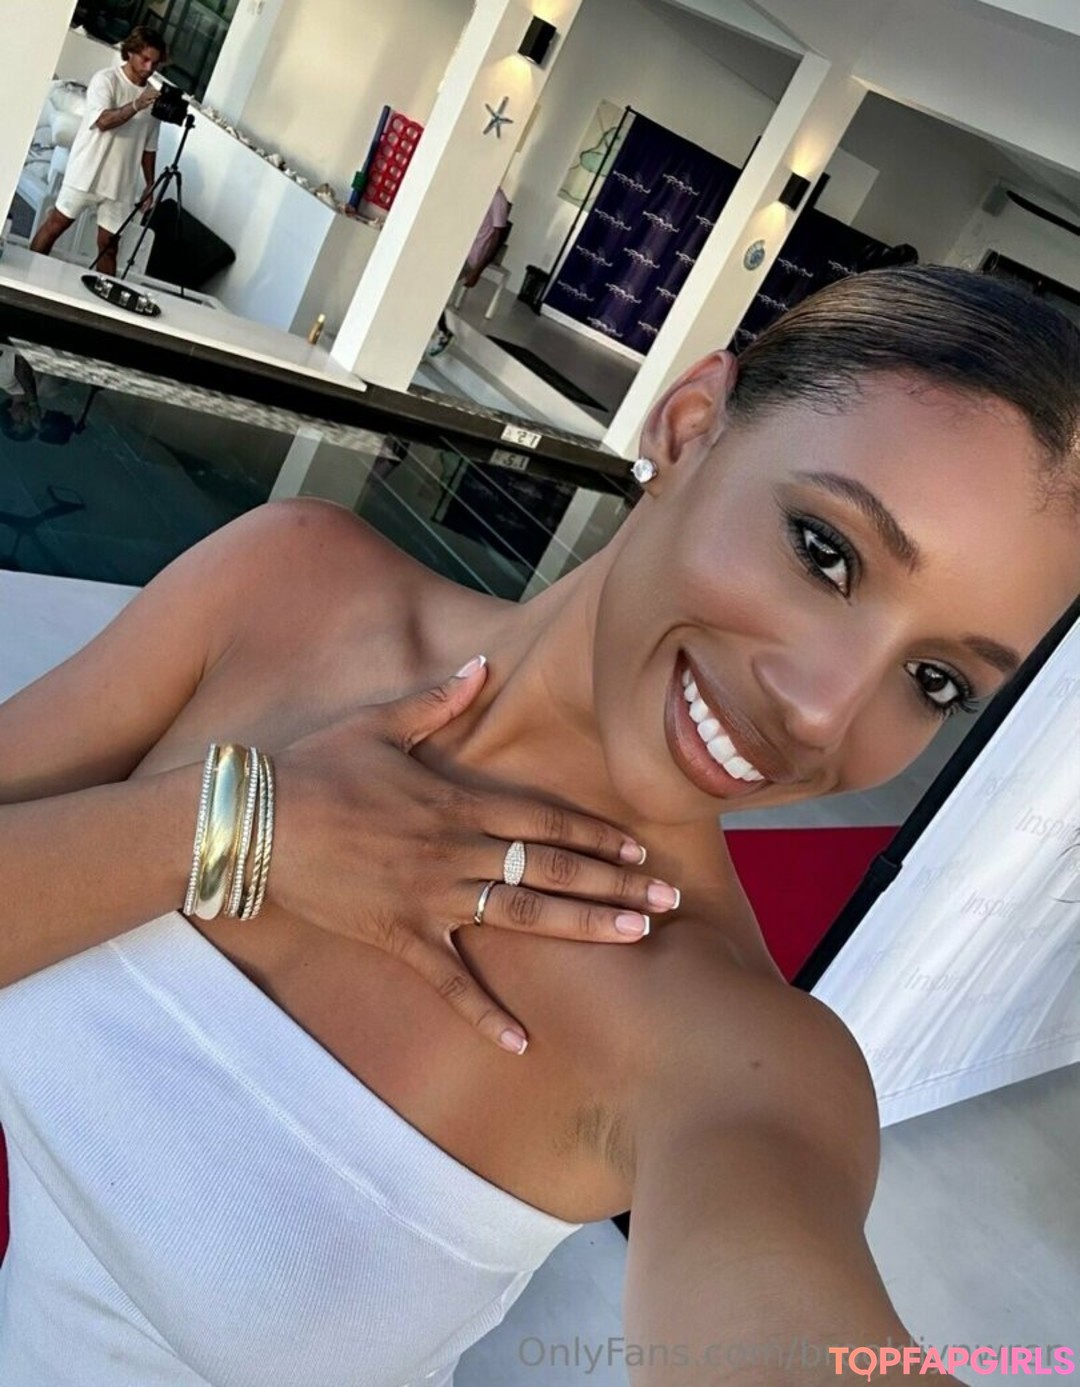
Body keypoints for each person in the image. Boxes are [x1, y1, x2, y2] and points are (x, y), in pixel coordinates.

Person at [0, 267, 1078, 1386]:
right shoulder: (289, 589)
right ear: (688, 427)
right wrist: (243, 825)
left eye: (937, 681)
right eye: (825, 551)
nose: (823, 711)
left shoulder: (734, 1049)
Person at [29, 27, 166, 278]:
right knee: (56, 224)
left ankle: (104, 296)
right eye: (145, 59)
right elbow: (103, 121)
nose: (149, 68)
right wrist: (136, 104)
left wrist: (149, 184)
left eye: (155, 63)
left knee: (109, 247)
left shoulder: (152, 98)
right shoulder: (106, 79)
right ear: (130, 52)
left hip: (121, 184)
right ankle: (28, 274)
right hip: (87, 172)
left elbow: (149, 146)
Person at [428, 185, 512, 355]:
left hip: (470, 257)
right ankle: (440, 331)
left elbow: (498, 237)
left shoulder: (498, 199)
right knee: (432, 292)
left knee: (434, 294)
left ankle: (442, 332)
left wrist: (478, 271)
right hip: (458, 251)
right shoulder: (479, 189)